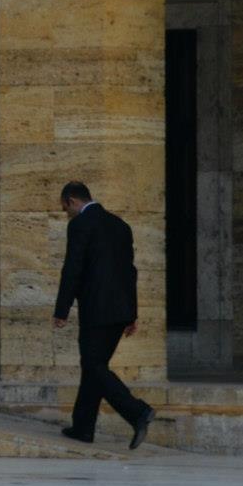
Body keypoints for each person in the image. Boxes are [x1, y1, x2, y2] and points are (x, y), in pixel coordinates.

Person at [53, 180, 154, 449]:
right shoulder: (120, 225)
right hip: (120, 311)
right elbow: (130, 273)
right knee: (93, 366)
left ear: (73, 201)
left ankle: (137, 411)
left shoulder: (80, 225)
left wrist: (61, 310)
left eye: (65, 208)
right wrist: (132, 314)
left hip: (97, 311)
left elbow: (72, 269)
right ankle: (83, 427)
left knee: (95, 367)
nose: (66, 214)